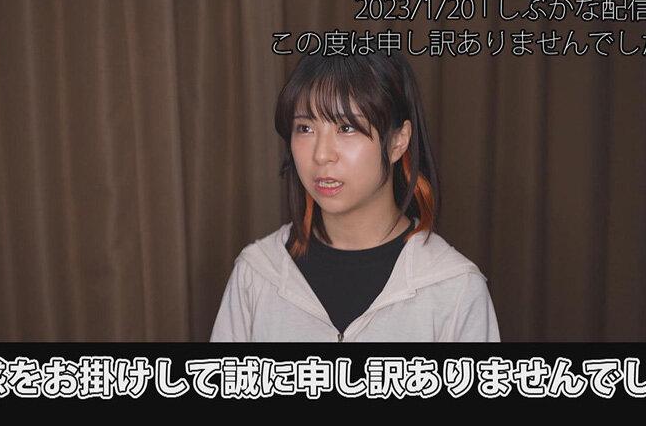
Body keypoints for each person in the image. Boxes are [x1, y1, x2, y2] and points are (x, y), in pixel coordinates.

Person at [210, 49, 500, 342]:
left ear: (398, 141)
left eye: (346, 127)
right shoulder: (257, 273)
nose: (321, 155)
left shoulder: (455, 287)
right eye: (305, 128)